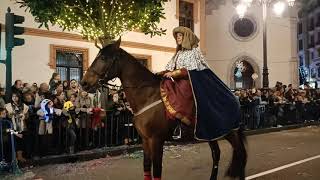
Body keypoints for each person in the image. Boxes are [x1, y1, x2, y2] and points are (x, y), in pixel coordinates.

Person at [159, 26, 240, 140]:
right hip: (179, 80)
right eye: (177, 36)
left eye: (180, 36)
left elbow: (189, 70)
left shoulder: (193, 51)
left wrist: (173, 74)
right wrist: (162, 72)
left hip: (190, 81)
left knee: (183, 93)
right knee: (165, 84)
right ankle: (171, 123)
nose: (177, 38)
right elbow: (171, 67)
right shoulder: (179, 53)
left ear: (186, 37)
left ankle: (184, 124)